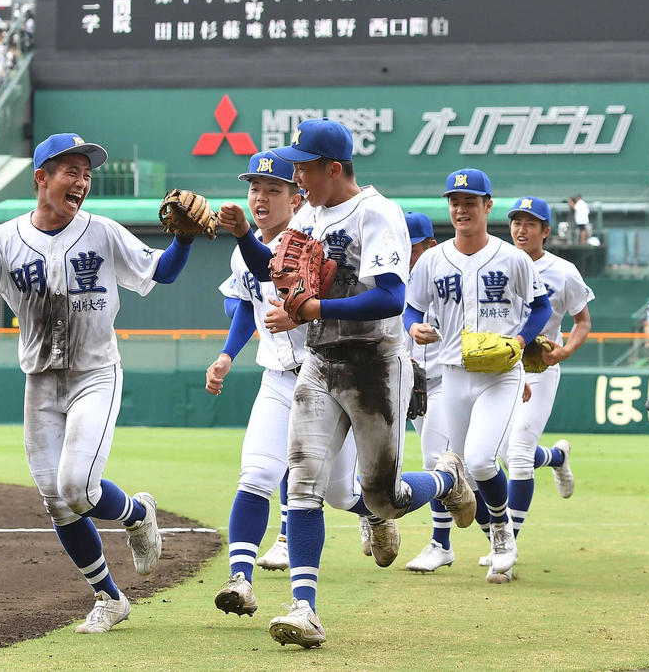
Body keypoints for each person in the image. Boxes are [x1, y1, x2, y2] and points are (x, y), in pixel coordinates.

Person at [218, 119, 476, 649]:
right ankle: (304, 610)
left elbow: (390, 297)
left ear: (333, 169)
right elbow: (273, 272)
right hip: (319, 361)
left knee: (384, 497)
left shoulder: (377, 213)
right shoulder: (308, 213)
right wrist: (245, 233)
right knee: (303, 483)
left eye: (305, 167)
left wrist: (314, 306)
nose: (297, 175)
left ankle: (446, 478)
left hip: (376, 364)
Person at [0, 132, 203, 634]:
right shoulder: (6, 238)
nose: (81, 181)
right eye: (71, 171)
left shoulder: (102, 232)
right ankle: (109, 597)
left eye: (86, 173)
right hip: (40, 382)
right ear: (42, 178)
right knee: (57, 501)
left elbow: (160, 272)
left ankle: (137, 514)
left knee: (77, 487)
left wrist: (183, 239)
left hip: (95, 374)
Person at [205, 150, 369, 618]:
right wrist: (225, 356)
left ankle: (373, 512)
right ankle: (240, 579)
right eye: (254, 188)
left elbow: (295, 281)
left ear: (296, 198)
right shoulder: (249, 247)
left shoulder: (315, 239)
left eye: (273, 189)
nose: (260, 197)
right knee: (256, 475)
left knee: (340, 493)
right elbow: (244, 301)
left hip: (327, 380)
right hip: (277, 378)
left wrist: (298, 308)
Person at [404, 168, 553, 585]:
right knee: (454, 467)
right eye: (455, 201)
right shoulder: (434, 260)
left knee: (481, 459)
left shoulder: (512, 258)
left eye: (470, 201)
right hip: (453, 374)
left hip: (500, 374)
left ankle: (503, 535)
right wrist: (413, 328)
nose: (461, 208)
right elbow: (411, 308)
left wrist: (522, 341)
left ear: (488, 206)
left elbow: (540, 306)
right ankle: (459, 541)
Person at [489, 196, 591, 560]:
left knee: (516, 456)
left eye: (530, 223)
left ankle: (507, 545)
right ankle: (556, 457)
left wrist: (564, 351)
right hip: (503, 367)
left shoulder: (563, 271)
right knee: (500, 452)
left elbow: (583, 321)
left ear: (545, 231)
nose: (521, 229)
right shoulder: (496, 262)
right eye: (517, 221)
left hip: (541, 367)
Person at [400, 210, 458, 573]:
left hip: (448, 381)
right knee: (460, 470)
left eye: (412, 246)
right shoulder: (393, 279)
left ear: (430, 245)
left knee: (436, 460)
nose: (404, 252)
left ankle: (440, 544)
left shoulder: (447, 279)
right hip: (413, 385)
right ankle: (498, 531)